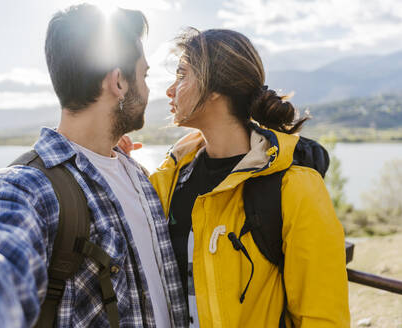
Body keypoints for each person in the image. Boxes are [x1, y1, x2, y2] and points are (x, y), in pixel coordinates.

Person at [0, 4, 187, 327]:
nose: (148, 89)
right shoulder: (29, 188)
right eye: (144, 75)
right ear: (118, 82)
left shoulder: (136, 177)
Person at [122, 28, 350, 327]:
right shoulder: (171, 179)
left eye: (182, 74)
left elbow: (322, 317)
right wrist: (116, 161)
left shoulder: (295, 188)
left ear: (214, 87)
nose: (170, 89)